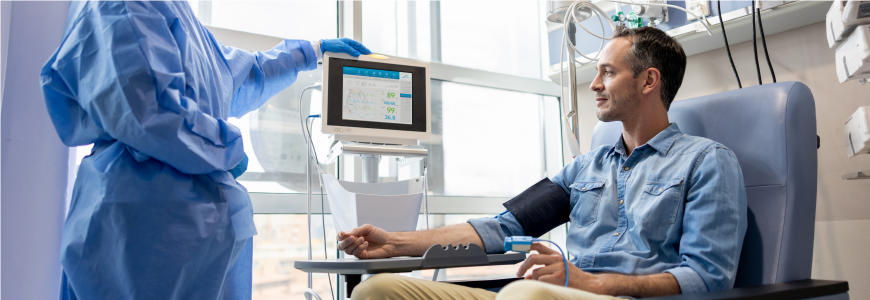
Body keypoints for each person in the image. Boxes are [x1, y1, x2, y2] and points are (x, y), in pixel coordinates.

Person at [338, 26, 747, 300]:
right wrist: (394, 242)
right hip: (554, 294)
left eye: (607, 72)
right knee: (377, 291)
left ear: (648, 81)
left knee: (525, 292)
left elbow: (708, 278)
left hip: (604, 295)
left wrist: (586, 281)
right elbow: (503, 228)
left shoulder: (706, 163)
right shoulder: (584, 168)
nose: (594, 84)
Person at [39, 2, 370, 299]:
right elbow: (150, 113)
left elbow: (232, 77)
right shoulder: (122, 6)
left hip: (199, 231)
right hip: (147, 226)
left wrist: (308, 52)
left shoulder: (171, 10)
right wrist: (227, 148)